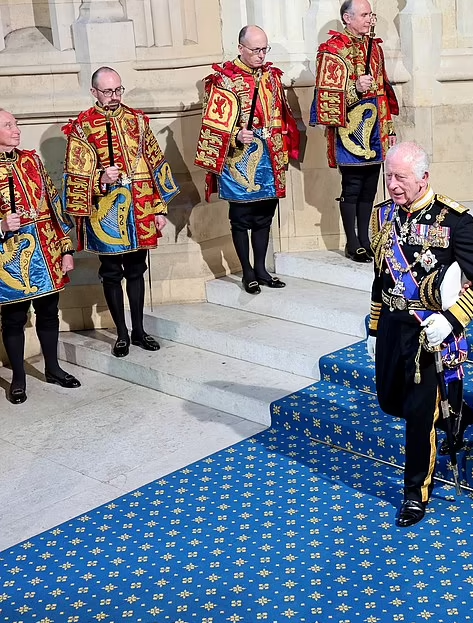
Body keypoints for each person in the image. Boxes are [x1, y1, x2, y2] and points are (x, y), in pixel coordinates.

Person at [366, 142, 473, 528]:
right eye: (389, 176)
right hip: (392, 327)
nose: (393, 185)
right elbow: (380, 277)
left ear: (423, 178)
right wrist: (374, 327)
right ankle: (455, 412)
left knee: (417, 415)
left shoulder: (453, 220)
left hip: (429, 333)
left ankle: (415, 494)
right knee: (389, 400)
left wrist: (452, 320)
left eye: (401, 178)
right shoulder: (382, 216)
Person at [63, 67, 179, 358]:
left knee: (137, 270)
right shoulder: (82, 127)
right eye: (107, 91)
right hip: (106, 213)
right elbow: (74, 175)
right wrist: (101, 179)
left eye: (118, 90)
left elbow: (155, 162)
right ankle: (122, 334)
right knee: (112, 272)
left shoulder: (137, 120)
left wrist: (158, 207)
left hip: (140, 208)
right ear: (94, 92)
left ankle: (139, 330)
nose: (114, 96)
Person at [195, 25, 300, 294]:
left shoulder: (271, 77)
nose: (261, 55)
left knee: (265, 215)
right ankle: (247, 272)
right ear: (240, 48)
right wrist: (235, 135)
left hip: (270, 155)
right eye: (255, 50)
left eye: (264, 49)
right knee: (241, 218)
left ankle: (261, 269)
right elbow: (212, 123)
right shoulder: (224, 80)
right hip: (239, 159)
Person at [0, 109, 80, 403]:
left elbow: (54, 204)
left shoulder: (31, 160)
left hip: (46, 252)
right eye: (8, 125)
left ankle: (53, 368)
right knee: (13, 319)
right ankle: (19, 378)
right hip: (10, 258)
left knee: (49, 311)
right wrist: (1, 225)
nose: (16, 129)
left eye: (16, 124)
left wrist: (66, 248)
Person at [312, 0, 398, 263]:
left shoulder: (375, 48)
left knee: (370, 187)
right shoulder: (332, 50)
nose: (369, 19)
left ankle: (365, 239)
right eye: (363, 15)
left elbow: (382, 91)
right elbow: (326, 98)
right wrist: (355, 89)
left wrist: (389, 128)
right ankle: (352, 242)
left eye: (371, 14)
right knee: (352, 187)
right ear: (347, 18)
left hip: (375, 130)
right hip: (349, 130)